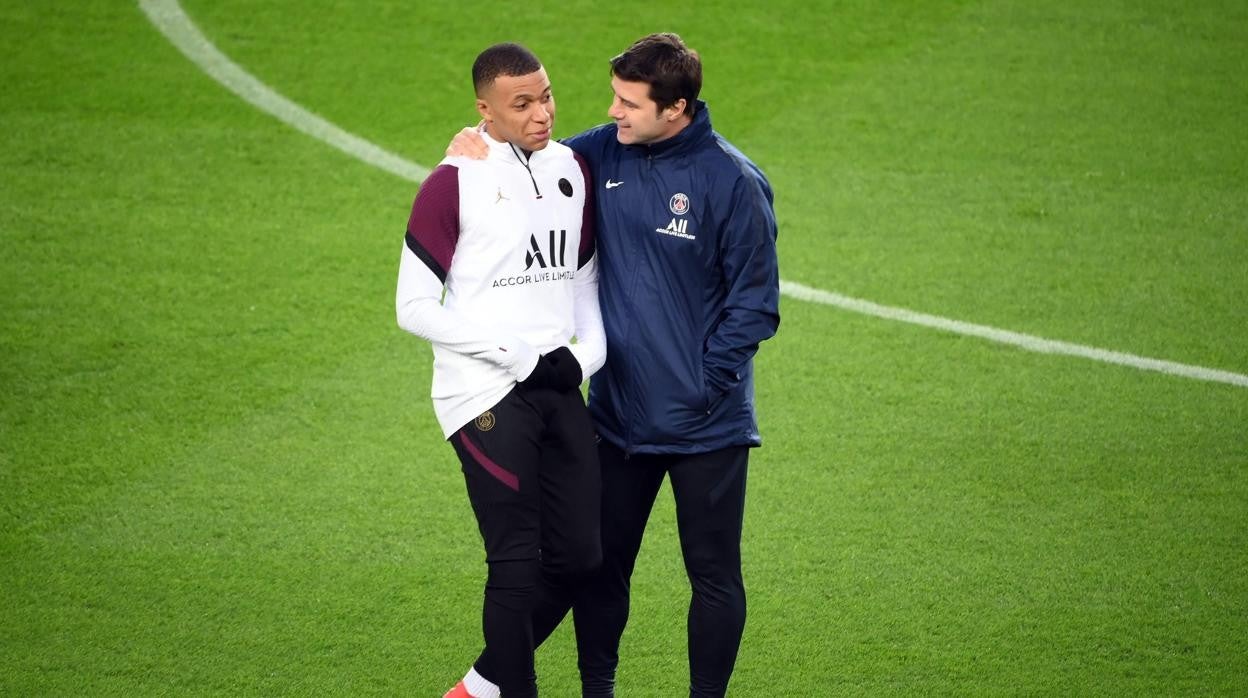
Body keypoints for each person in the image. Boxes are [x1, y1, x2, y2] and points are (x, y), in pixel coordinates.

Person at [446, 32, 780, 698]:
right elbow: (527, 162)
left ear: (676, 107)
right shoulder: (599, 153)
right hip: (619, 421)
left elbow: (755, 306)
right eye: (614, 98)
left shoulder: (732, 183)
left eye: (630, 102)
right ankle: (595, 689)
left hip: (706, 428)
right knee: (596, 567)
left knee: (713, 575)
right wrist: (469, 149)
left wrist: (704, 385)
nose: (614, 112)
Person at [395, 42, 606, 698]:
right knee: (515, 563)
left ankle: (480, 687)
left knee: (580, 559)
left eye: (546, 96)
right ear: (485, 110)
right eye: (523, 104)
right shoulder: (452, 180)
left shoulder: (574, 168)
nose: (542, 112)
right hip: (482, 391)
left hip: (556, 384)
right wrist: (512, 353)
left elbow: (585, 285)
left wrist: (583, 356)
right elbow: (412, 308)